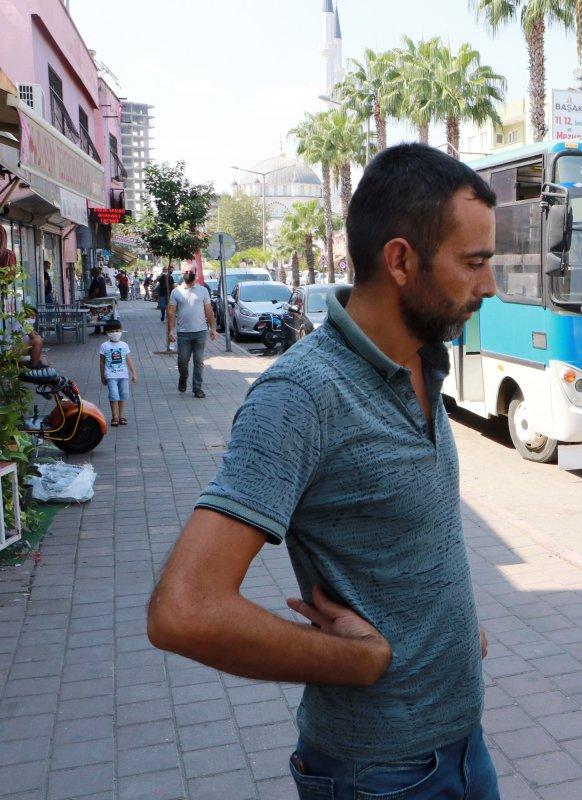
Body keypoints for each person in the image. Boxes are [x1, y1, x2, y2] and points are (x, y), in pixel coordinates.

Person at [147, 144, 501, 800]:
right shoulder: (302, 395)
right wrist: (355, 660)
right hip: (380, 774)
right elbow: (185, 610)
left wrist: (448, 629)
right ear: (401, 261)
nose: (490, 286)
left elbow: (398, 539)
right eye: (474, 263)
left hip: (463, 745)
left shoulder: (425, 360)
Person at [167, 268, 216, 398]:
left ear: (195, 274)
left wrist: (213, 328)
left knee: (199, 361)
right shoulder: (175, 292)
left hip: (200, 332)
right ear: (182, 274)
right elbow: (171, 312)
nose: (189, 274)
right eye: (186, 272)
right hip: (183, 333)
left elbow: (209, 311)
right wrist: (171, 331)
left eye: (191, 272)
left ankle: (197, 388)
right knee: (182, 361)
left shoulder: (203, 290)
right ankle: (183, 378)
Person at [98, 318, 136, 425]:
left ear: (121, 330)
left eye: (117, 330)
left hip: (123, 375)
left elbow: (128, 359)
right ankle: (114, 416)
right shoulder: (104, 346)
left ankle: (121, 415)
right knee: (113, 395)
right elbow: (101, 362)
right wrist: (102, 376)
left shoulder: (124, 345)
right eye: (111, 331)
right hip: (110, 376)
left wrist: (134, 373)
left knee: (123, 395)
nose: (115, 333)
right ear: (107, 332)